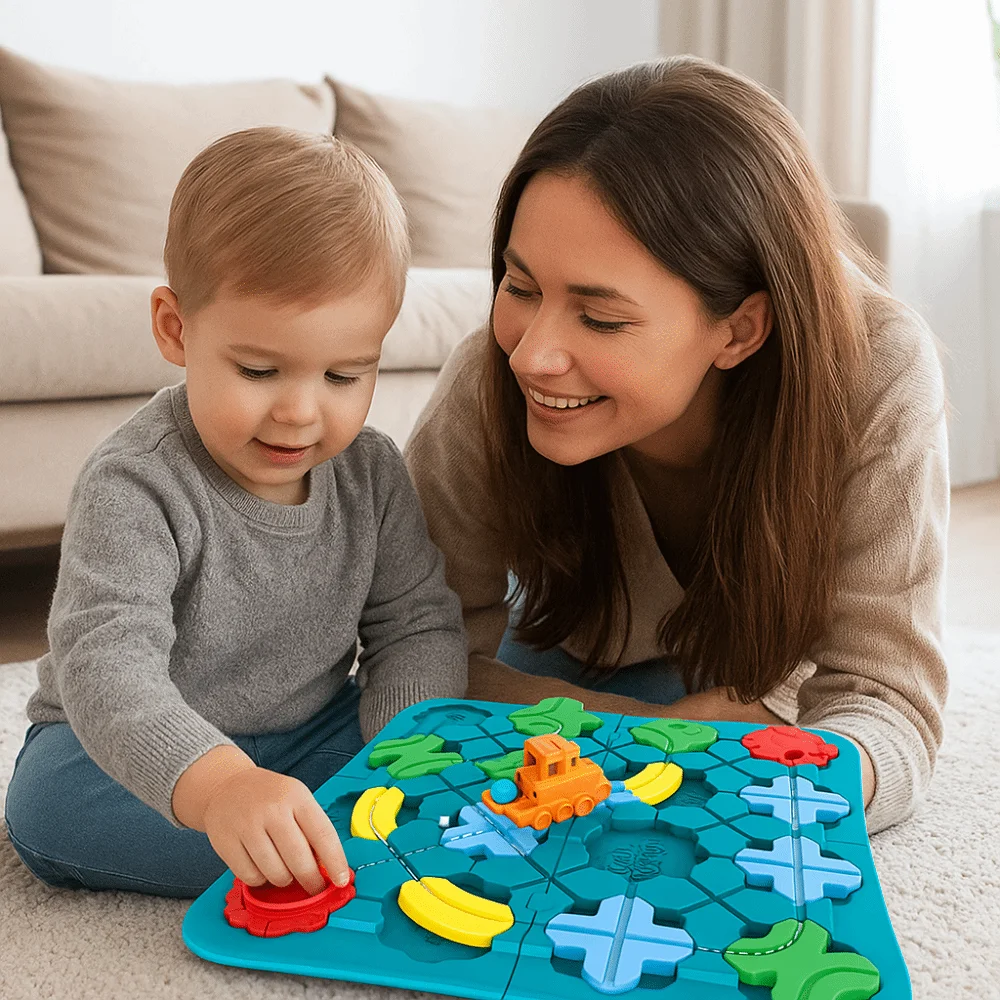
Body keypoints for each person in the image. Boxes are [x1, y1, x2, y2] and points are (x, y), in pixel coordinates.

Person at [405, 57, 948, 835]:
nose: (531, 355)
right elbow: (416, 650)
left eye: (600, 318)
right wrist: (645, 729)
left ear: (739, 330)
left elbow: (884, 701)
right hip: (581, 644)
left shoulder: (876, 368)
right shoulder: (489, 373)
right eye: (520, 287)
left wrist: (788, 765)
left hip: (766, 662)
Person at [4, 127, 467, 897]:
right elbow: (105, 664)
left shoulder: (372, 472)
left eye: (344, 376)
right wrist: (219, 788)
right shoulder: (134, 482)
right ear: (175, 329)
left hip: (305, 732)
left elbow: (414, 626)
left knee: (425, 777)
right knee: (47, 809)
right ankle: (318, 849)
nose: (300, 412)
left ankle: (314, 840)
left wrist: (403, 756)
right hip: (125, 744)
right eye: (258, 370)